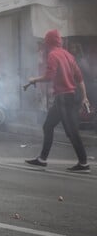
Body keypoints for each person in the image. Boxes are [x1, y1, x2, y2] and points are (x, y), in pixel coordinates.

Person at [25, 29, 91, 173]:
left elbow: (49, 76)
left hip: (63, 98)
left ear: (48, 42)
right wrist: (85, 96)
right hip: (69, 97)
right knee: (48, 126)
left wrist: (34, 79)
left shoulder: (53, 55)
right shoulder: (68, 55)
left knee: (72, 132)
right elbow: (80, 79)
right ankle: (42, 159)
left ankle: (84, 163)